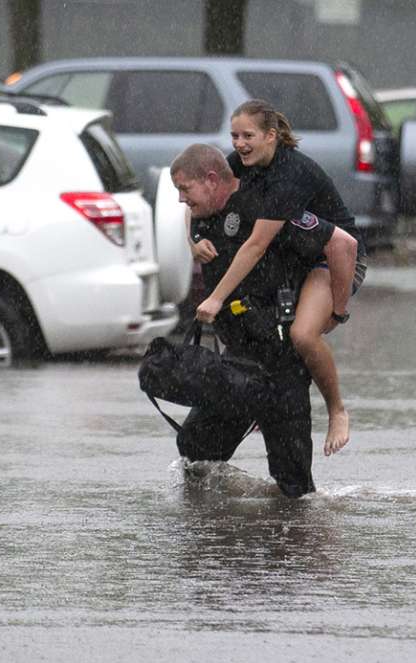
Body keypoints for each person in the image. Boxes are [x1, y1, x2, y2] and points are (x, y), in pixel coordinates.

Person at [170, 143, 358, 498]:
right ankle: (214, 540)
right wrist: (193, 242)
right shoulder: (201, 213)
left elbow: (344, 245)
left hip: (280, 361)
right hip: (236, 358)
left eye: (185, 190)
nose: (182, 200)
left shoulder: (269, 209)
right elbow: (191, 218)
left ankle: (295, 544)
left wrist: (337, 310)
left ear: (211, 181)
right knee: (196, 451)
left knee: (294, 487)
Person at [193, 99, 364, 458]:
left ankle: (337, 410)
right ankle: (263, 407)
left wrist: (339, 310)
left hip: (332, 259)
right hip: (291, 256)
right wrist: (195, 240)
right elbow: (198, 196)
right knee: (262, 333)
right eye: (234, 135)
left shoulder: (291, 175)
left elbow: (256, 245)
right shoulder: (238, 162)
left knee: (302, 335)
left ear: (271, 136)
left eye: (248, 136)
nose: (239, 144)